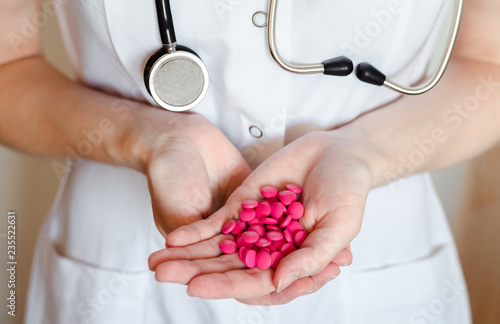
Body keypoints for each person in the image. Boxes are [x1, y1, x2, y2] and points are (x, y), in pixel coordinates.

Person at [1, 0, 498, 323]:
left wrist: (363, 153)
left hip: (383, 269)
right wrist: (142, 136)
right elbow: (9, 70)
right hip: (119, 268)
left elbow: (489, 67)